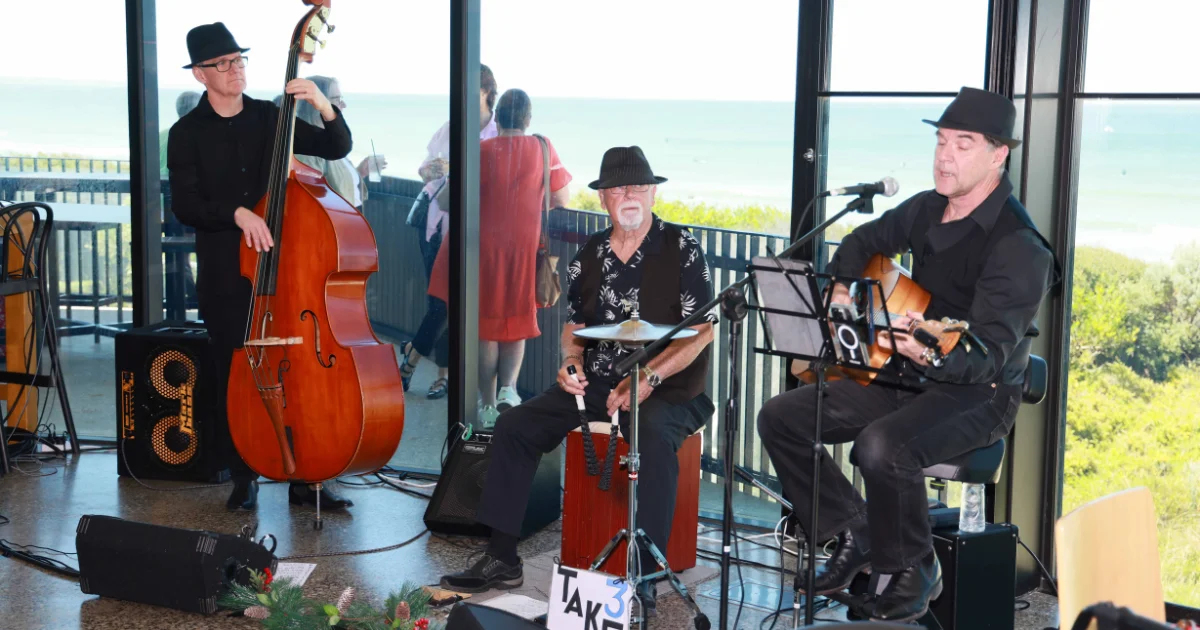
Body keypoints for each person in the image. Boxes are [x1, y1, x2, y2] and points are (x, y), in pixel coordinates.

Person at [756, 87, 1059, 623]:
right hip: (907, 375)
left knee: (881, 446)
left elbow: (985, 354)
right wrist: (844, 291)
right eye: (941, 141)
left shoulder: (1020, 247)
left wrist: (922, 346)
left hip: (979, 394)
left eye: (963, 144)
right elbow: (861, 242)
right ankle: (854, 530)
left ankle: (917, 566)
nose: (944, 156)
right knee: (782, 417)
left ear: (998, 155)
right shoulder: (926, 208)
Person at [439, 147, 716, 618]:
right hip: (599, 381)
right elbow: (574, 325)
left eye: (638, 187)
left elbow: (703, 330)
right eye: (617, 189)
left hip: (667, 386)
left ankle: (645, 575)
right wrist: (570, 361)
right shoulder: (591, 253)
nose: (628, 196)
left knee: (650, 437)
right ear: (603, 198)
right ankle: (502, 557)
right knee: (514, 427)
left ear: (652, 193)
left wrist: (650, 375)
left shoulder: (681, 247)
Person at [166, 22, 358, 512]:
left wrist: (321, 102)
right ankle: (243, 475)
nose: (236, 69)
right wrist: (237, 213)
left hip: (285, 268)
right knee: (235, 372)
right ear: (201, 74)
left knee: (297, 373)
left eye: (239, 60)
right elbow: (185, 205)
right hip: (227, 271)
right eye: (224, 63)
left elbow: (337, 147)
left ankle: (306, 475)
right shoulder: (185, 134)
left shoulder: (270, 117)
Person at [427, 88, 570, 425]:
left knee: (486, 328)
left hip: (481, 249)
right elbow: (562, 198)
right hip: (523, 247)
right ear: (528, 120)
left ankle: (488, 405)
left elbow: (447, 201)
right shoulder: (542, 147)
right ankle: (509, 389)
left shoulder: (479, 150)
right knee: (517, 320)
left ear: (498, 117)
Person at [399, 64, 498, 400]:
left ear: (485, 91)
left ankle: (412, 356)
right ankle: (441, 375)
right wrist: (431, 170)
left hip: (473, 229)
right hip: (434, 223)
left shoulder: (498, 131)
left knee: (450, 304)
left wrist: (453, 168)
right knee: (440, 302)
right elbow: (424, 169)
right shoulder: (449, 128)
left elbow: (491, 175)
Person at [288, 75, 386, 212]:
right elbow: (314, 197)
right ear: (316, 101)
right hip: (337, 220)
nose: (343, 105)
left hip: (348, 217)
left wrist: (360, 172)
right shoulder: (309, 149)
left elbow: (336, 185)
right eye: (337, 99)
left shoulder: (331, 140)